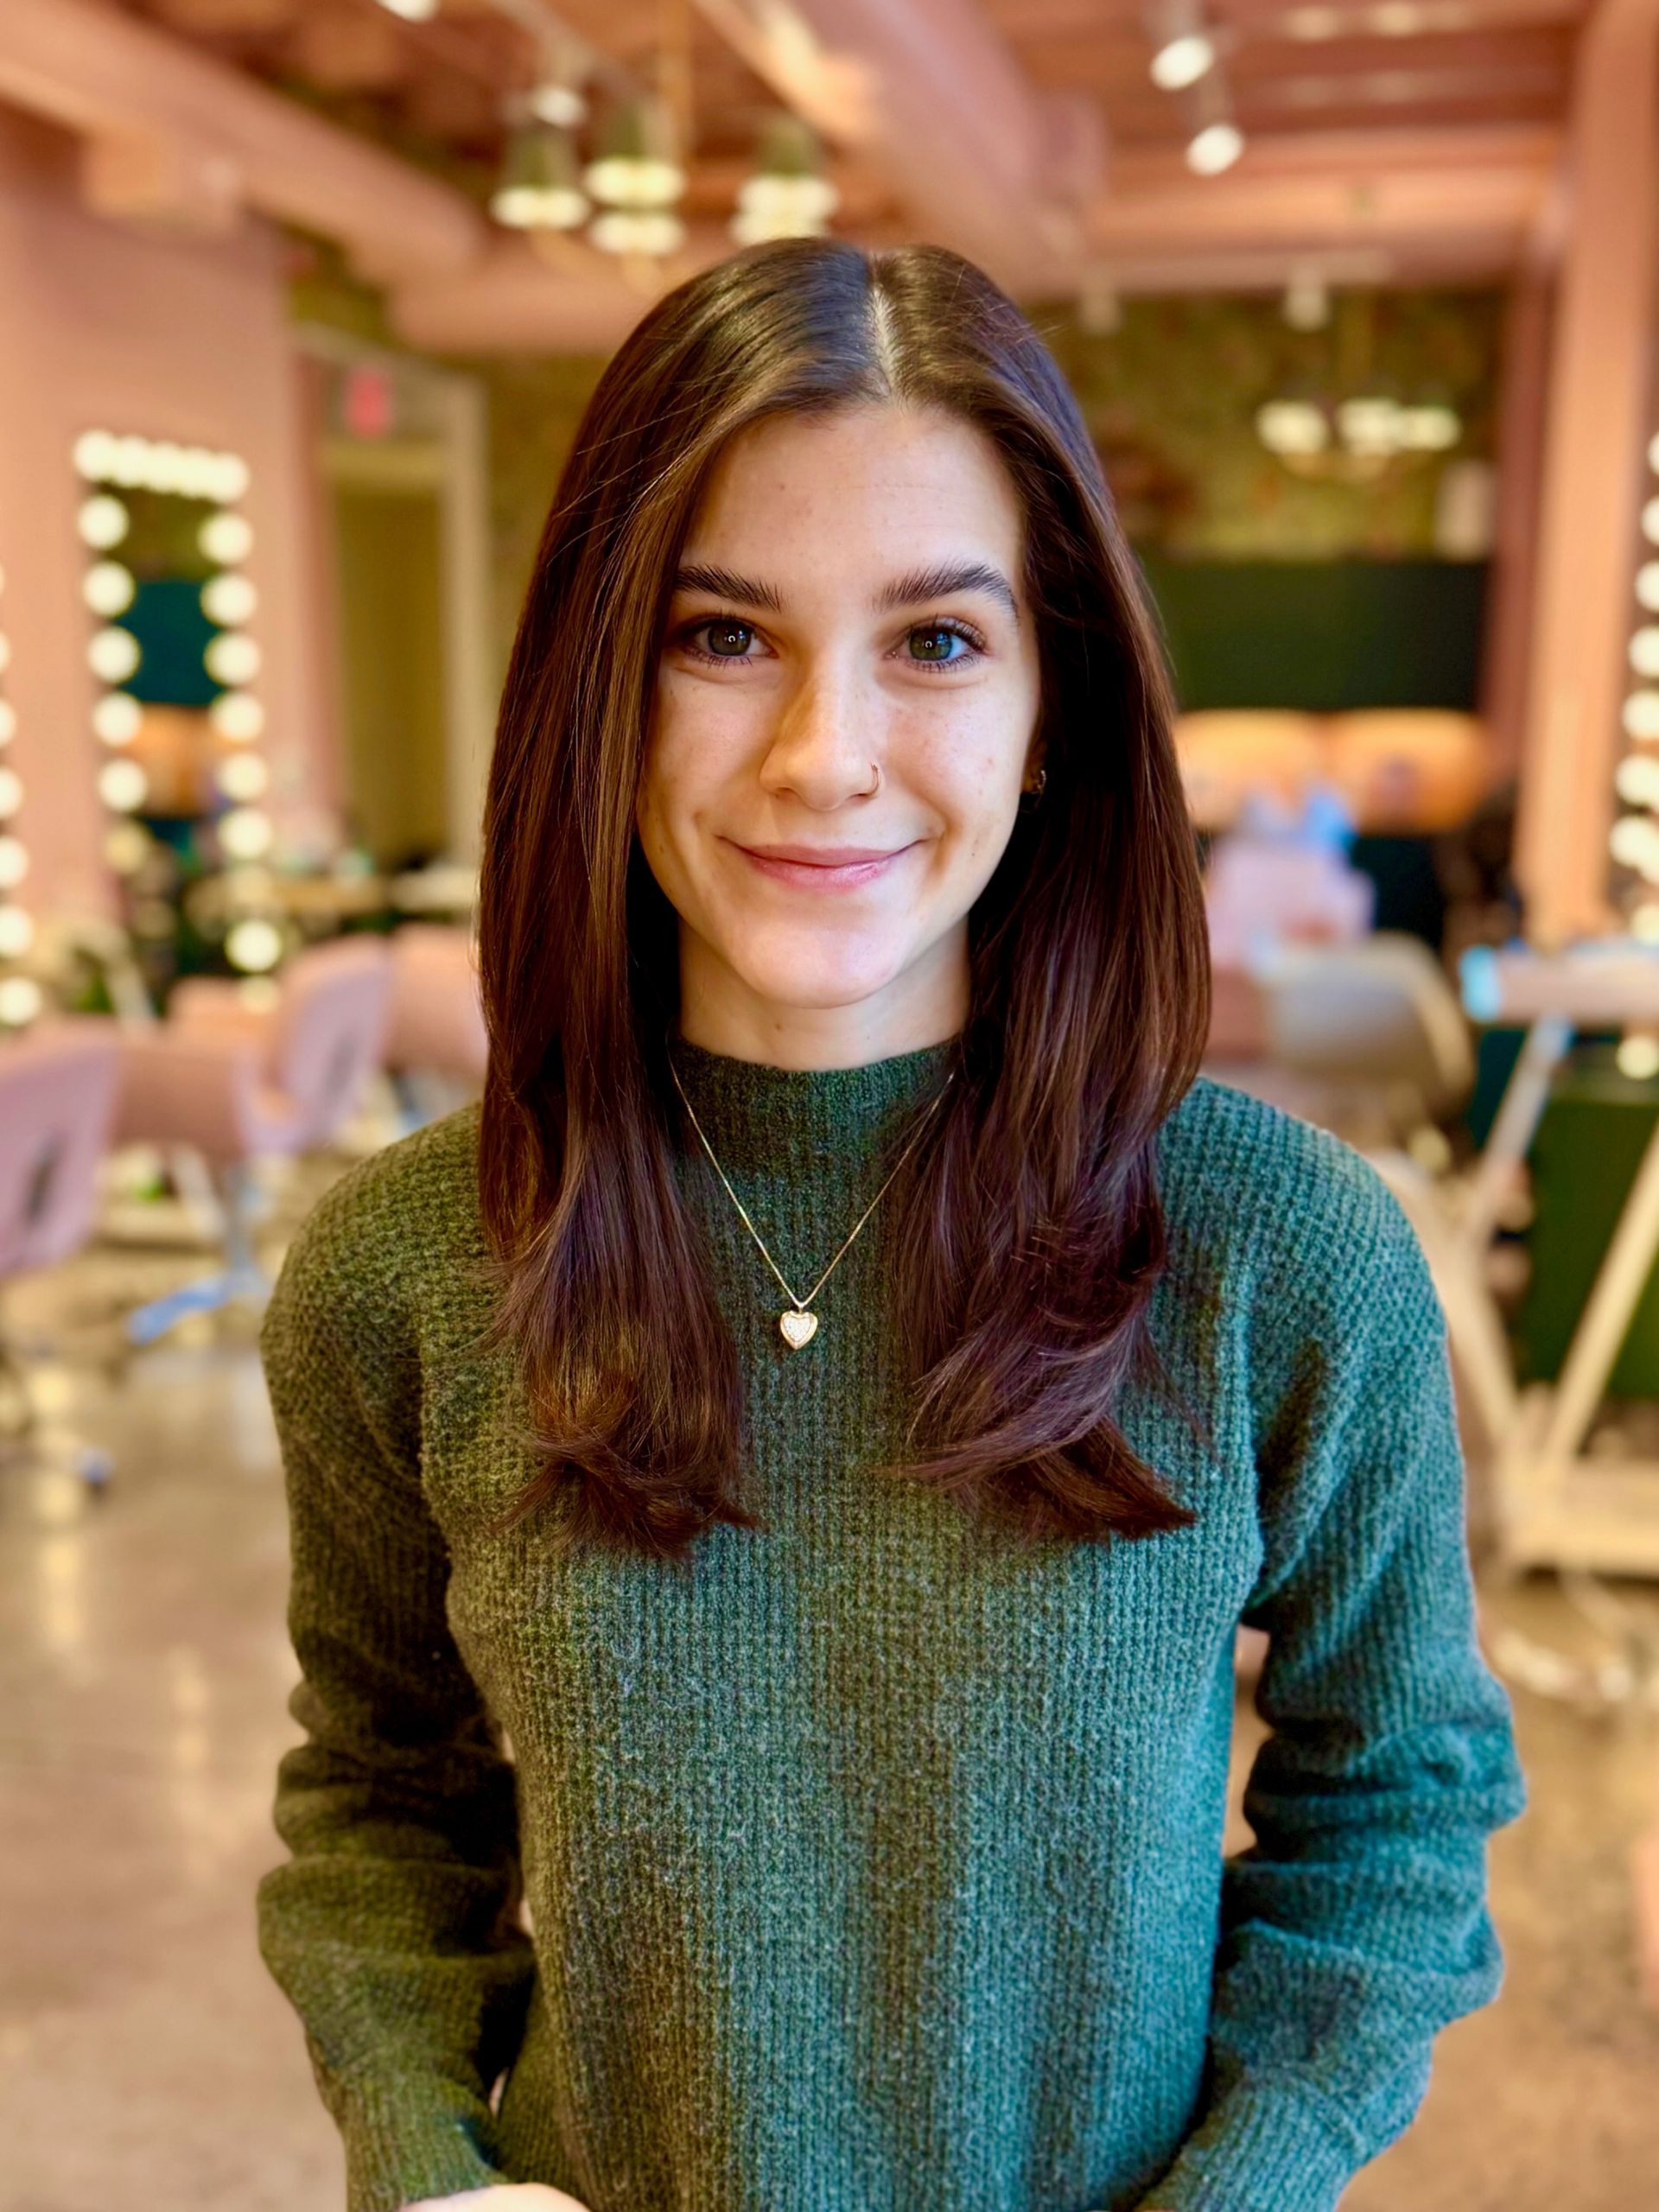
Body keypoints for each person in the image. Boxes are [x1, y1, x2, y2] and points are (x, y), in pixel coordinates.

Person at [255, 238, 1526, 2212]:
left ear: (1050, 705)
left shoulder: (1280, 1255)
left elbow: (1398, 1808)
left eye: (934, 640)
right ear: (602, 680)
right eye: (722, 634)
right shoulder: (403, 1274)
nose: (823, 754)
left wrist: (1246, 2181)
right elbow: (377, 1801)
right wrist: (429, 2161)